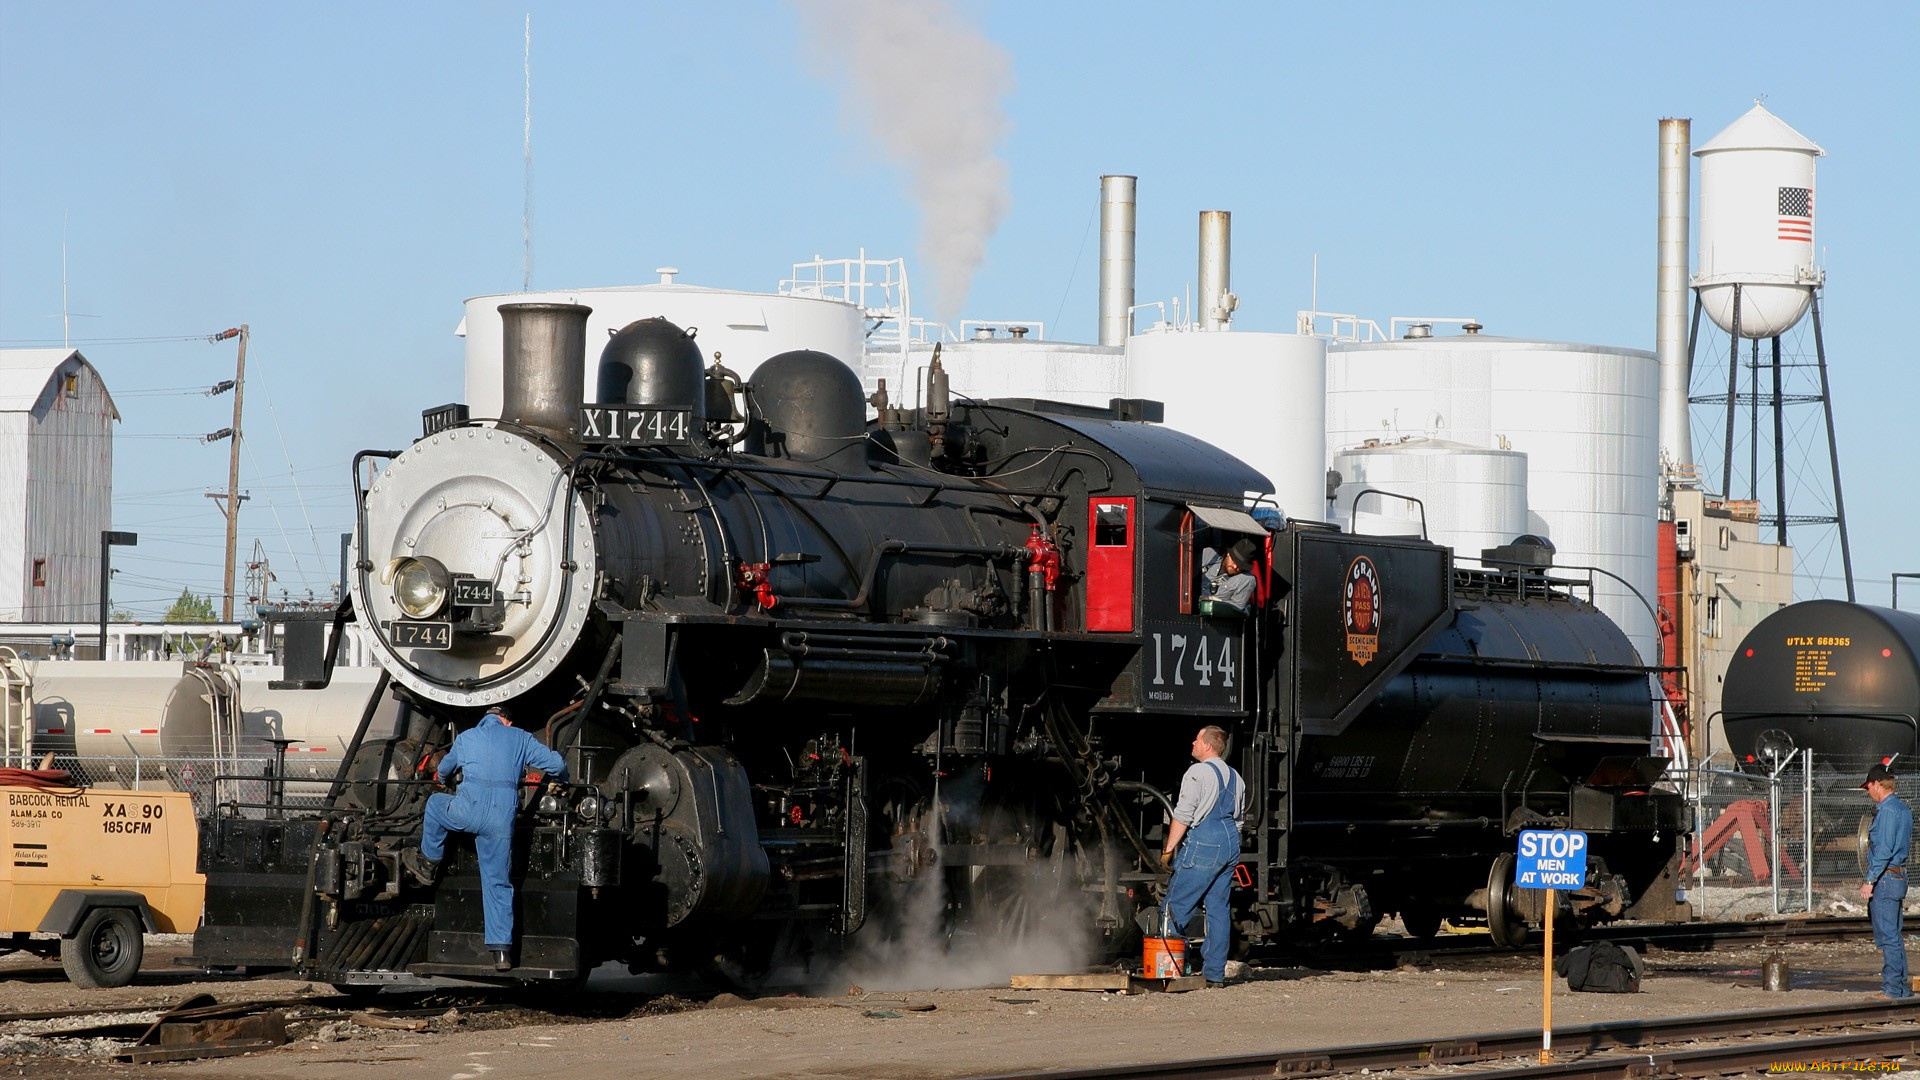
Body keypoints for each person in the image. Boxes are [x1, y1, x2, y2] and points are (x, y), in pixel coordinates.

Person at [403, 705, 569, 971]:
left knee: (434, 805)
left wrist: (444, 780)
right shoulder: (520, 737)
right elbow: (557, 764)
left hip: (468, 811)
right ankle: (501, 952)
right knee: (498, 882)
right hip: (500, 820)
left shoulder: (467, 737)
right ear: (506, 721)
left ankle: (429, 862)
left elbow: (444, 769)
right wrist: (563, 779)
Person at [1160, 725, 1246, 988]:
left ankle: (1167, 970)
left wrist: (1168, 850)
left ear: (1208, 745)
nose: (1193, 743)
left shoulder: (1197, 772)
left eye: (1197, 739)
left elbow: (1183, 815)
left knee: (1175, 906)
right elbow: (1239, 819)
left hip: (1205, 841)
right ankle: (1214, 975)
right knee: (1218, 910)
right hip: (1230, 842)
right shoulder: (1236, 777)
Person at [1858, 762, 1912, 998]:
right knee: (1894, 935)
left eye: (1868, 787)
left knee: (1887, 936)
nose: (1868, 792)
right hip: (1897, 876)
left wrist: (1869, 880)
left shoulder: (1888, 811)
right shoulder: (1903, 809)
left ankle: (1892, 989)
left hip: (1886, 878)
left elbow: (1884, 850)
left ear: (1877, 784)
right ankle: (1899, 986)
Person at [1200, 538, 1258, 613]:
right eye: (1234, 561)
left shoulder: (1247, 580)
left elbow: (1237, 608)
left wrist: (1217, 602)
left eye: (1241, 566)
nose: (1235, 567)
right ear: (1228, 554)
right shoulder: (1209, 554)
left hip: (1214, 616)